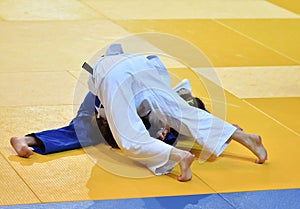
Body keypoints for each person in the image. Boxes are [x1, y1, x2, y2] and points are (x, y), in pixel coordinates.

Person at [85, 43, 267, 182]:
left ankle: (180, 156)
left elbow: (114, 116)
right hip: (143, 64)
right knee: (184, 114)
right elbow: (160, 89)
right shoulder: (127, 59)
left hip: (114, 77)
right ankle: (244, 137)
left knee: (129, 139)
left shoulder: (99, 89)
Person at [10, 79, 203, 158]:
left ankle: (28, 140)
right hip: (104, 98)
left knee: (169, 140)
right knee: (85, 132)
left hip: (120, 107)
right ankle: (27, 140)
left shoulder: (172, 121)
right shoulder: (162, 99)